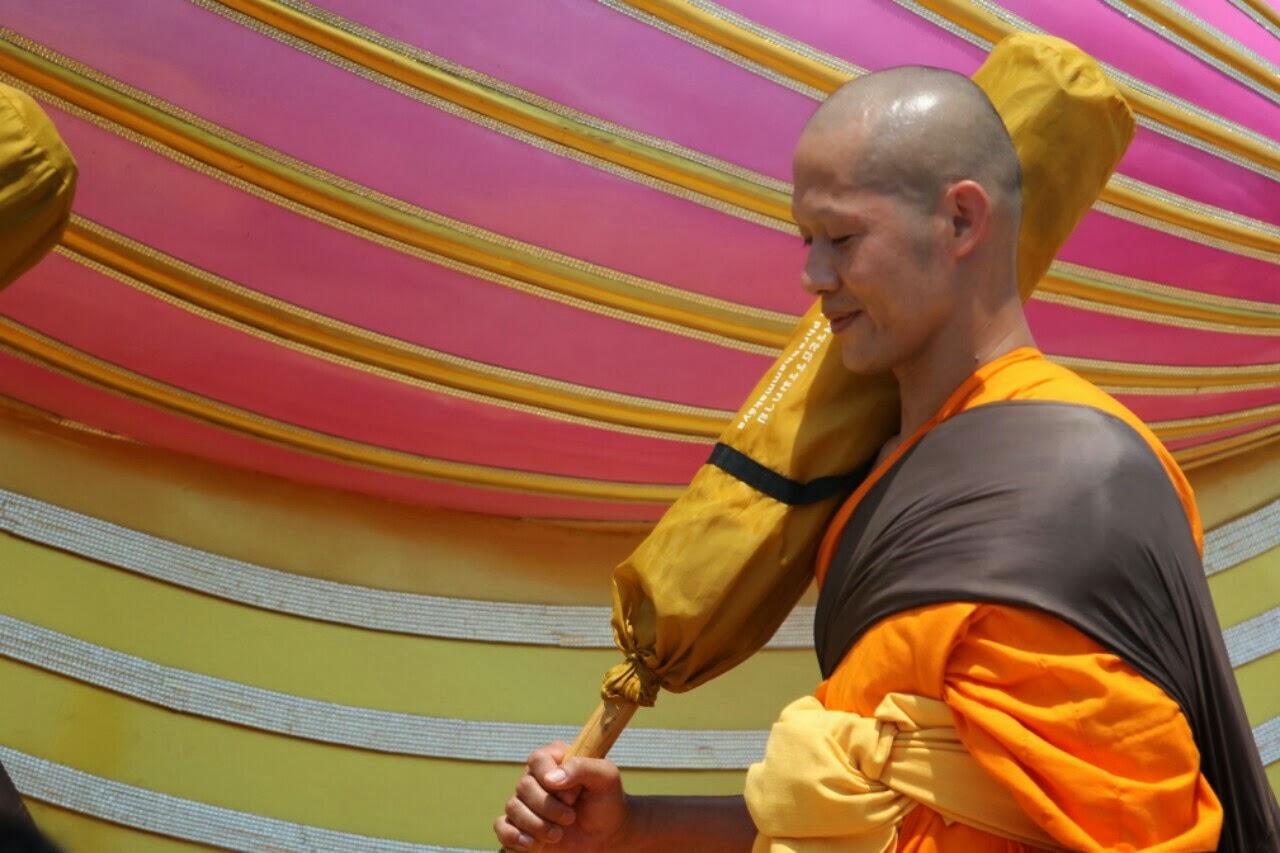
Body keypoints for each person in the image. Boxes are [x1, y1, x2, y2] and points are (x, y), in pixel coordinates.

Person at [494, 66, 1279, 852]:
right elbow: (870, 802)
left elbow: (1128, 821)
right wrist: (632, 826)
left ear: (961, 220)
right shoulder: (873, 485)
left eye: (842, 239)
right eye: (806, 240)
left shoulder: (1083, 477)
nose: (813, 277)